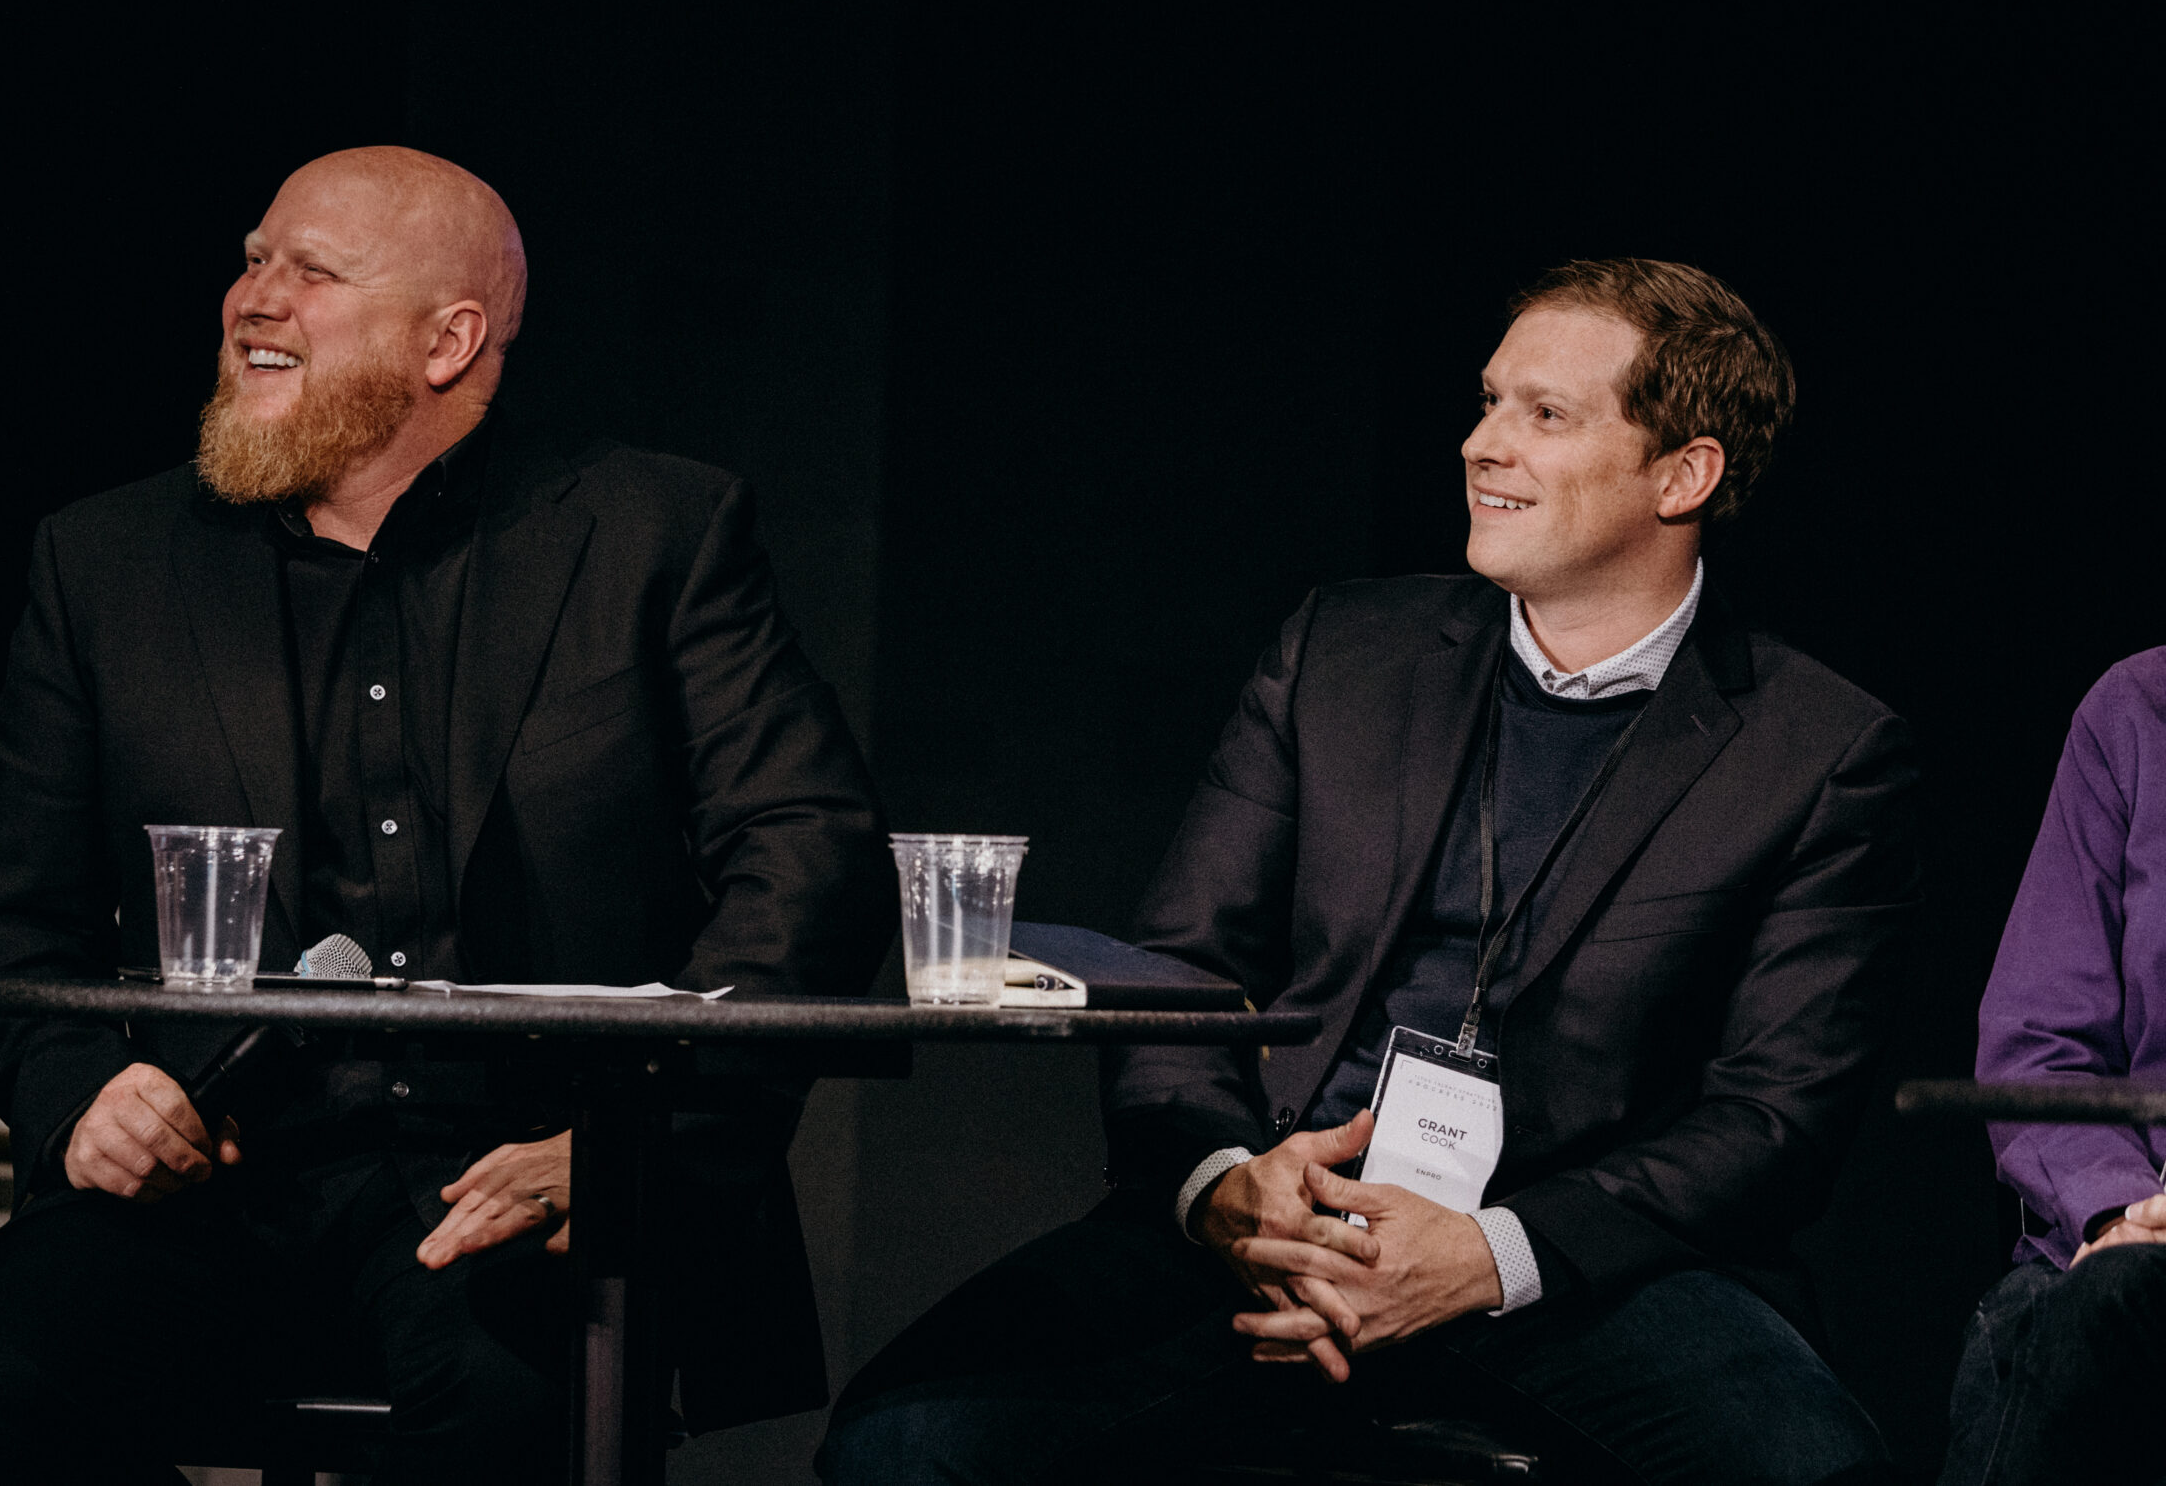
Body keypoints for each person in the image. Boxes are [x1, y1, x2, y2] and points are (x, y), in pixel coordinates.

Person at [820, 259, 1920, 1486]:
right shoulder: (1341, 651)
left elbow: (1775, 1114)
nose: (1480, 444)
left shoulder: (1814, 748)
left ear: (1684, 474)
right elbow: (1180, 972)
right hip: (1279, 1209)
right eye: (1486, 401)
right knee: (905, 1440)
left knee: (1811, 1471)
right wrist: (1226, 1190)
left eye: (1541, 415)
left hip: (1574, 1254)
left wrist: (1490, 1254)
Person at [0, 146, 895, 1483]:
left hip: (525, 1168)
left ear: (450, 339)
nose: (253, 298)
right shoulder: (104, 563)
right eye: (254, 257)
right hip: (220, 1163)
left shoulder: (651, 533)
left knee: (504, 1412)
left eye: (310, 271)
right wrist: (78, 1093)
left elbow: (806, 850)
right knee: (7, 1382)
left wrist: (625, 1150)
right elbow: (4, 921)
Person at [1944, 651, 2166, 1485]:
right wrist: (2119, 1212)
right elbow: (2040, 1045)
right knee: (2082, 1314)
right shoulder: (2138, 710)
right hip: (2135, 1250)